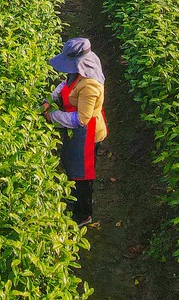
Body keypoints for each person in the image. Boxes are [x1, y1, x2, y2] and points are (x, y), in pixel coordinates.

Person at [42, 37, 107, 226]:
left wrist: (53, 115)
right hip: (76, 132)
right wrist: (51, 98)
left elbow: (81, 120)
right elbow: (65, 84)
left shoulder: (91, 85)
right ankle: (77, 198)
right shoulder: (77, 72)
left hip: (88, 133)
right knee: (73, 169)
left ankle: (84, 215)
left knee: (83, 176)